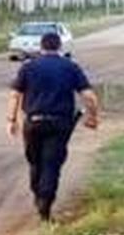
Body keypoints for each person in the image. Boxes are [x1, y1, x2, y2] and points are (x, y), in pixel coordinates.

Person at [6, 31, 100, 222]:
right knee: (52, 163)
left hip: (33, 122)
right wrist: (92, 117)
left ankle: (39, 194)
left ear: (41, 47)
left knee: (35, 162)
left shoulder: (28, 67)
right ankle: (45, 205)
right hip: (59, 124)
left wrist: (11, 120)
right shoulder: (70, 67)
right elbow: (89, 96)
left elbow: (15, 95)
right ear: (60, 47)